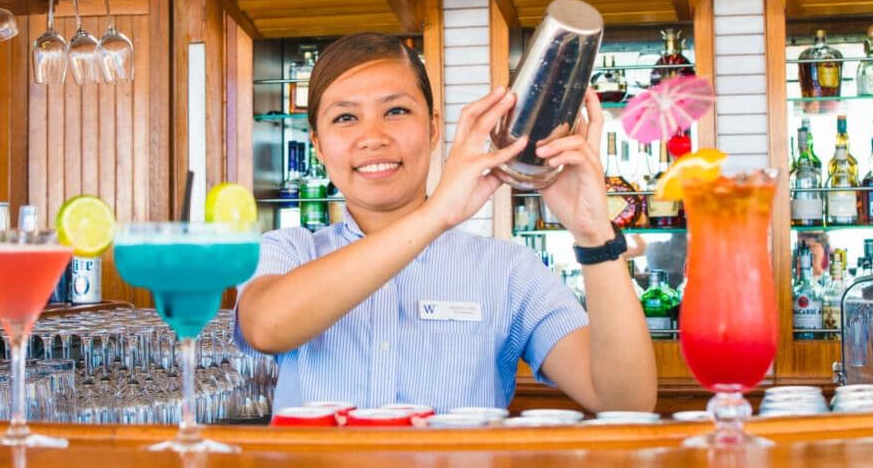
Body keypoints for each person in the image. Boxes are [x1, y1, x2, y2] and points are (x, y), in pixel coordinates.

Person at [236, 33, 656, 413]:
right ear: (319, 147)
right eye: (345, 118)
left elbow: (625, 399)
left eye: (396, 110)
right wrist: (436, 213)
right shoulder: (288, 250)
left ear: (434, 129)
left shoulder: (508, 271)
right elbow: (267, 327)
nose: (373, 136)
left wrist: (593, 232)